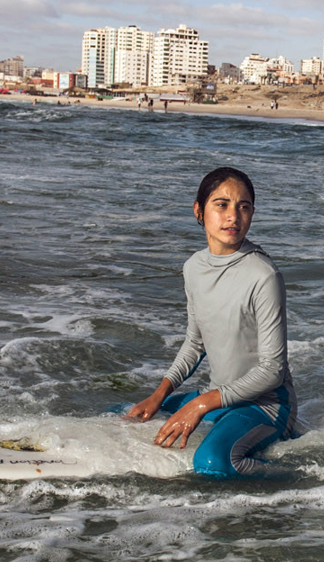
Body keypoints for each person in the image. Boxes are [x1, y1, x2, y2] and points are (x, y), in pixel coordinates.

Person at [124, 167, 299, 478]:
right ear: (198, 211)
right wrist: (159, 393)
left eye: (243, 207)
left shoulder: (263, 276)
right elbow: (195, 343)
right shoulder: (193, 267)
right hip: (221, 395)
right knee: (130, 415)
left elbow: (273, 370)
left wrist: (202, 404)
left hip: (266, 406)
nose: (233, 216)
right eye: (221, 205)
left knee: (212, 464)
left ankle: (302, 478)